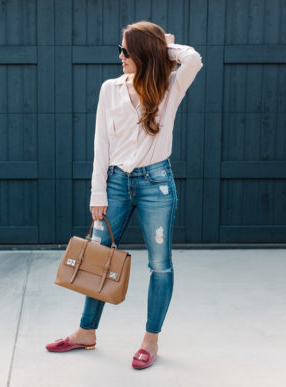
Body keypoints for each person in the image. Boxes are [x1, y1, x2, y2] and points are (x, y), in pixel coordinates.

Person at [45, 21, 203, 370]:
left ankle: (150, 340)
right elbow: (100, 144)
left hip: (156, 185)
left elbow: (193, 59)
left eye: (126, 51)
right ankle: (86, 331)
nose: (120, 56)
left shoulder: (169, 86)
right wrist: (96, 192)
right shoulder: (110, 89)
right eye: (120, 49)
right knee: (96, 255)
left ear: (144, 54)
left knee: (159, 265)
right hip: (115, 184)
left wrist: (160, 50)